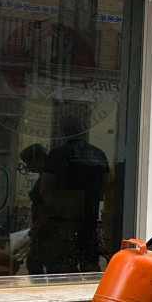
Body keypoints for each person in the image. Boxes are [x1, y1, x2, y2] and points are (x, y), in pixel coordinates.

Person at [41, 116, 110, 273]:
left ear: (63, 132)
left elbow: (45, 187)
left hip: (63, 219)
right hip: (89, 216)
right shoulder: (98, 154)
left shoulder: (57, 154)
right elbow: (107, 184)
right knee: (89, 258)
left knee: (62, 261)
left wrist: (54, 208)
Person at [19, 144, 50, 275]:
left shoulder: (48, 178)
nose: (27, 167)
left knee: (34, 261)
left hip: (46, 226)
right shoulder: (44, 176)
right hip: (42, 225)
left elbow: (49, 205)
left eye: (28, 163)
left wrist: (37, 226)